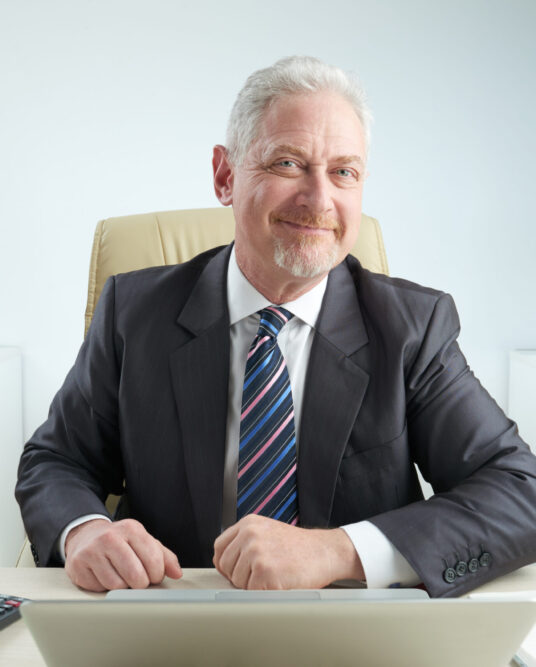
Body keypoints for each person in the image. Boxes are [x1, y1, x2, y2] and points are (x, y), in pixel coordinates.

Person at [16, 56, 536, 598]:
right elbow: (55, 461)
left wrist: (339, 550)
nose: (318, 200)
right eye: (288, 164)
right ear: (225, 176)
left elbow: (521, 492)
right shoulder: (134, 312)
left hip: (355, 635)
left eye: (343, 172)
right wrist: (85, 532)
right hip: (173, 625)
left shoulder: (412, 329)